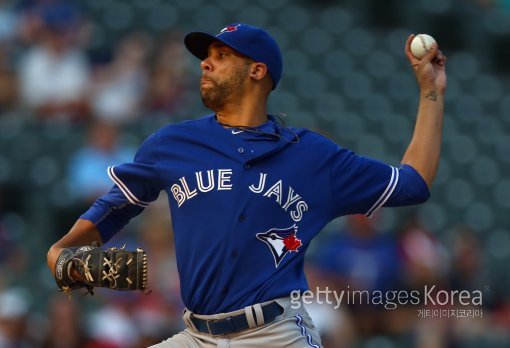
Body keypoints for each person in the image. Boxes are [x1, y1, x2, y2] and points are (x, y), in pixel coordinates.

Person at [47, 23, 447, 347]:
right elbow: (118, 207)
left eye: (221, 56)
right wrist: (66, 251)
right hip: (197, 336)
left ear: (258, 71)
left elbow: (413, 183)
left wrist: (430, 91)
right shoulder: (172, 144)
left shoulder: (313, 156)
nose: (205, 64)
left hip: (274, 334)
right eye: (206, 57)